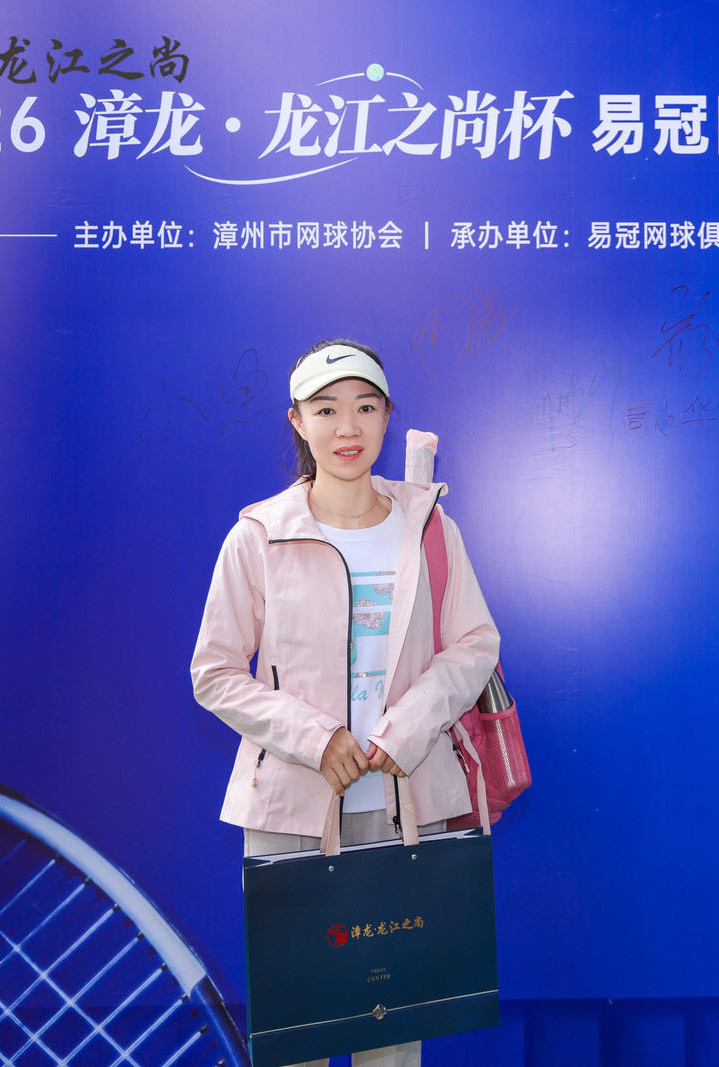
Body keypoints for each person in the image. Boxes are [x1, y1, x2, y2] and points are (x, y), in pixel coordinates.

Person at [190, 339, 500, 1067]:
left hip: (404, 805)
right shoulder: (260, 535)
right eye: (326, 410)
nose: (347, 427)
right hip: (292, 814)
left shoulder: (428, 527)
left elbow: (474, 644)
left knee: (390, 1036)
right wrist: (316, 737)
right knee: (299, 1034)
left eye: (365, 406)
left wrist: (408, 729)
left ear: (387, 415)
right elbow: (215, 672)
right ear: (297, 421)